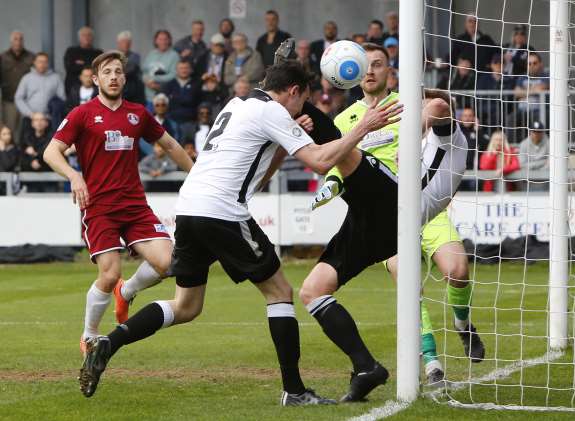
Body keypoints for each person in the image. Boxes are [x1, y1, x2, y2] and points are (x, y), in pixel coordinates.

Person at [77, 59, 402, 403]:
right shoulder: (273, 113)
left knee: (186, 306)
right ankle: (294, 391)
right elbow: (321, 162)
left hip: (189, 210)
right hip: (222, 212)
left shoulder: (237, 104)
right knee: (279, 292)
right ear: (294, 92)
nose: (300, 107)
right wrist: (362, 127)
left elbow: (259, 174)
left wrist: (286, 138)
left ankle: (109, 343)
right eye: (302, 99)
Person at [303, 43, 483, 398]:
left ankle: (462, 323)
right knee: (394, 282)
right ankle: (427, 364)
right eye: (365, 65)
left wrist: (418, 130)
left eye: (378, 64)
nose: (370, 71)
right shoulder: (345, 118)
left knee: (458, 270)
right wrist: (331, 184)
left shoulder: (407, 105)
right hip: (381, 210)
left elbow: (438, 107)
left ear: (390, 71)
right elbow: (339, 163)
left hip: (417, 206)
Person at [42, 51, 193, 361]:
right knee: (108, 273)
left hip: (135, 206)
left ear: (125, 79)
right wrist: (74, 176)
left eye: (118, 72)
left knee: (169, 263)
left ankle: (126, 292)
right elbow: (51, 152)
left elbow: (171, 145)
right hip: (98, 207)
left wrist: (198, 175)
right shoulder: (82, 114)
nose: (113, 76)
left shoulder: (138, 113)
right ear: (95, 79)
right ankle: (89, 335)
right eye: (107, 72)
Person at [15, 52, 65, 138]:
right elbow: (18, 98)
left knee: (49, 146)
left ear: (48, 63)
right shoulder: (27, 78)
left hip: (49, 119)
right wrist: (31, 114)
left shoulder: (56, 78)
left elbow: (62, 98)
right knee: (27, 145)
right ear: (34, 62)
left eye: (45, 62)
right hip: (30, 118)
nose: (42, 64)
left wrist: (52, 114)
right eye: (39, 61)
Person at [0, 31, 35, 137]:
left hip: (27, 101)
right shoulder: (2, 57)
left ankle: (23, 152)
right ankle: (12, 153)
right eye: (15, 39)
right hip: (9, 100)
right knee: (10, 129)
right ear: (11, 41)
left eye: (20, 39)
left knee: (25, 129)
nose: (18, 42)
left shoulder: (31, 57)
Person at [142, 30, 179, 105]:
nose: (163, 42)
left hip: (164, 97)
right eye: (160, 39)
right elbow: (144, 71)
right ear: (156, 41)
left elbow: (174, 75)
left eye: (165, 39)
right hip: (149, 97)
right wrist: (147, 81)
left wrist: (154, 79)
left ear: (169, 41)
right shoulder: (151, 54)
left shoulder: (174, 56)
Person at [63, 27, 103, 95]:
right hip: (73, 88)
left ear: (92, 38)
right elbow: (69, 68)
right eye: (84, 35)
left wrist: (81, 64)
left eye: (89, 35)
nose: (86, 37)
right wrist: (90, 64)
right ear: (79, 38)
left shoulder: (99, 53)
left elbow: (100, 70)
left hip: (94, 89)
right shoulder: (71, 51)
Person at [162, 60, 201, 125]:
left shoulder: (197, 84)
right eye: (181, 68)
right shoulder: (169, 85)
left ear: (191, 70)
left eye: (186, 68)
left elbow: (195, 101)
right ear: (176, 70)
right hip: (172, 121)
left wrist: (175, 98)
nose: (184, 70)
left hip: (191, 121)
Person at [518, 121, 549, 191]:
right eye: (534, 131)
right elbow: (522, 165)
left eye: (539, 132)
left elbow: (551, 164)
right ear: (530, 132)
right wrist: (544, 162)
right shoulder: (524, 144)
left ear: (543, 132)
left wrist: (534, 168)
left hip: (546, 180)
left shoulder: (549, 143)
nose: (536, 134)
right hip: (528, 181)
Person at [116, 31, 145, 104]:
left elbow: (131, 70)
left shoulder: (135, 56)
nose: (126, 44)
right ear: (118, 43)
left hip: (133, 89)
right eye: (123, 42)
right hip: (118, 88)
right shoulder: (113, 56)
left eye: (128, 42)